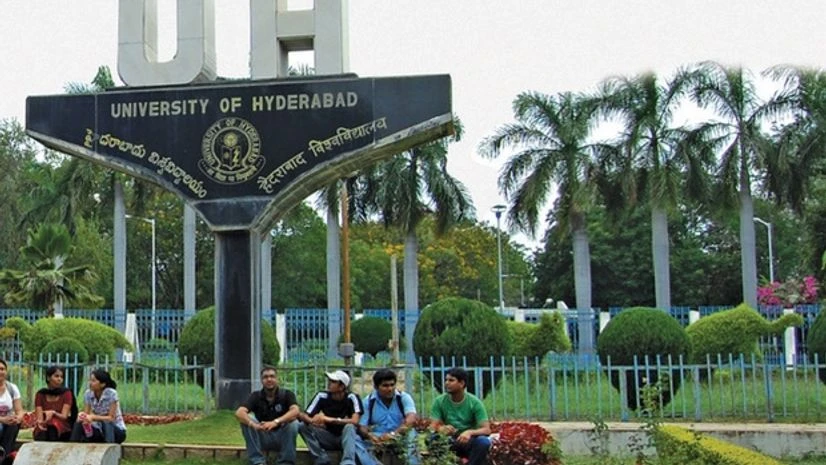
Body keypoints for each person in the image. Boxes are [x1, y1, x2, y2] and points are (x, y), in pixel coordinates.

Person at [235, 365, 300, 465]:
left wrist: (275, 422)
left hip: (282, 437)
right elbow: (239, 412)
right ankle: (258, 461)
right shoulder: (256, 396)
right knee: (246, 420)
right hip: (262, 435)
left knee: (294, 423)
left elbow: (295, 411)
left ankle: (286, 462)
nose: (269, 379)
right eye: (265, 377)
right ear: (261, 380)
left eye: (272, 376)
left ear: (277, 379)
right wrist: (254, 425)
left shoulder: (287, 394)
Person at [298, 370, 363, 465]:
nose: (329, 384)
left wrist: (327, 419)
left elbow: (355, 421)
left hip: (345, 438)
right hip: (327, 435)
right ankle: (321, 458)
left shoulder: (352, 397)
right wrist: (313, 421)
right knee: (302, 426)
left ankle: (348, 461)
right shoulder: (322, 396)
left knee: (350, 427)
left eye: (333, 382)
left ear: (342, 386)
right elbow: (304, 415)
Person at [355, 369, 418, 465]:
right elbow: (362, 425)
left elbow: (411, 419)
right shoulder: (368, 401)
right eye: (385, 386)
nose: (390, 389)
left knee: (412, 434)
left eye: (392, 385)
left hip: (399, 436)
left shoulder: (404, 397)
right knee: (355, 439)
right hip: (378, 437)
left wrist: (393, 434)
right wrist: (370, 436)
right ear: (376, 387)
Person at [430, 367, 491, 465]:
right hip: (449, 439)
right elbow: (433, 426)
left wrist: (469, 432)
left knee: (483, 442)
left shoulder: (474, 403)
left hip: (468, 441)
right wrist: (442, 428)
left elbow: (486, 429)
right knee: (432, 439)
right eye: (446, 380)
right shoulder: (439, 401)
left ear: (462, 383)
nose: (447, 383)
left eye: (451, 380)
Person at [69, 369, 127, 444]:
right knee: (80, 422)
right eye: (90, 380)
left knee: (106, 422)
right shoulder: (88, 394)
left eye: (93, 381)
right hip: (99, 430)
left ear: (102, 384)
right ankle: (72, 445)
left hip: (115, 431)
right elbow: (87, 414)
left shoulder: (112, 394)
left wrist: (93, 417)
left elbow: (111, 418)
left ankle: (109, 447)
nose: (90, 383)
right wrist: (83, 416)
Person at [34, 365, 78, 441]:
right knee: (42, 429)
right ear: (48, 378)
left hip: (62, 425)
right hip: (46, 422)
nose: (59, 379)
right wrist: (40, 423)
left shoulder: (66, 393)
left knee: (52, 426)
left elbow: (64, 416)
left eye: (61, 377)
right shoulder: (41, 394)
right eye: (56, 376)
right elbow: (39, 416)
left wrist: (53, 413)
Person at [0, 359, 24, 461]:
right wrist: (2, 419)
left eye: (2, 369)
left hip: (8, 422)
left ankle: (5, 455)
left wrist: (17, 418)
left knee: (13, 425)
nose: (0, 372)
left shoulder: (12, 388)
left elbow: (19, 410)